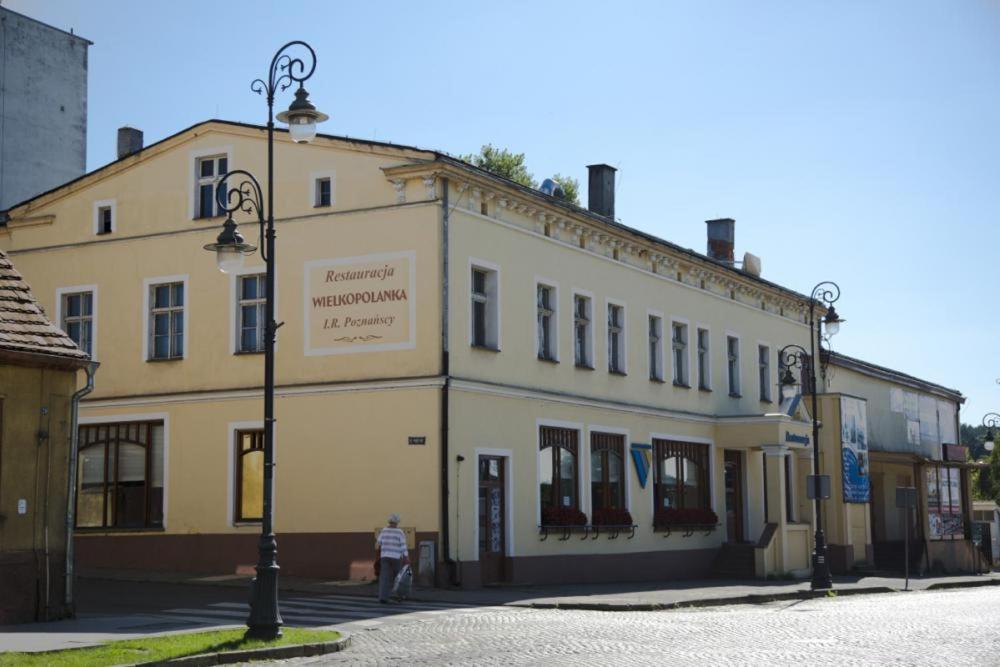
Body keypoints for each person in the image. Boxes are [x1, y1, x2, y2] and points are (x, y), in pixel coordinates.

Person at [376, 513, 409, 603]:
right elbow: (403, 546)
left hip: (384, 556)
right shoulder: (399, 532)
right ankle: (398, 596)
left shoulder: (384, 530)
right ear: (397, 522)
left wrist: (380, 553)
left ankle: (383, 597)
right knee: (398, 578)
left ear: (389, 521)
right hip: (396, 557)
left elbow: (378, 543)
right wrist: (406, 557)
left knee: (384, 577)